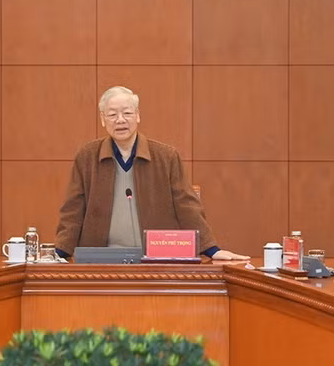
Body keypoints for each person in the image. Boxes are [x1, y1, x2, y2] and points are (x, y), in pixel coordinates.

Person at [54, 86, 248, 261]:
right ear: (103, 119)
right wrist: (60, 251)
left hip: (155, 258)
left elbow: (186, 206)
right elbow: (73, 208)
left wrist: (211, 249)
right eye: (112, 115)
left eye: (127, 113)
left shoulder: (166, 157)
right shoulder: (87, 157)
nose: (120, 120)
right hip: (101, 258)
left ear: (138, 115)